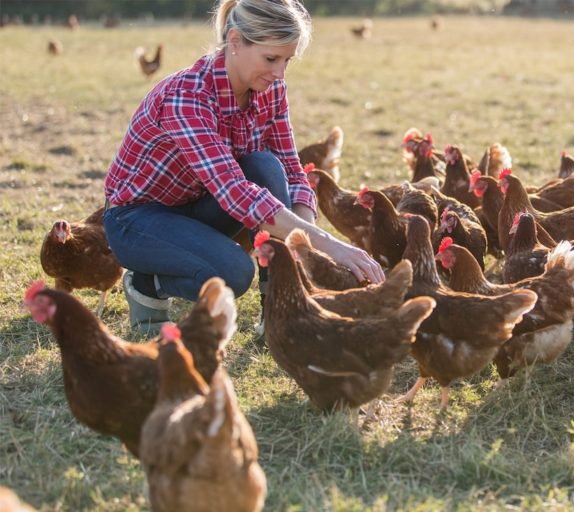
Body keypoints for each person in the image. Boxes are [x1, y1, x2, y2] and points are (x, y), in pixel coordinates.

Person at [103, 0, 384, 334]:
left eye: (287, 61)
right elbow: (235, 192)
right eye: (271, 59)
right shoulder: (187, 96)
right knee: (232, 273)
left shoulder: (271, 89)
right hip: (137, 219)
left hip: (198, 205)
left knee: (266, 166)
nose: (279, 73)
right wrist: (328, 243)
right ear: (235, 42)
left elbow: (292, 172)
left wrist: (303, 245)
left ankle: (280, 311)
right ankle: (148, 283)